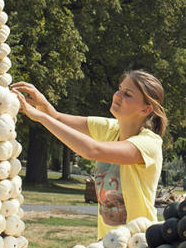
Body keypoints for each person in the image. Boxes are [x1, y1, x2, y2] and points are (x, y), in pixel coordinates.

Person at [12, 70, 166, 236]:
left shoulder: (149, 143)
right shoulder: (110, 128)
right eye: (119, 89)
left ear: (145, 109)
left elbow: (92, 150)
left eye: (127, 94)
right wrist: (43, 105)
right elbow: (57, 118)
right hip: (108, 245)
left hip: (140, 245)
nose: (117, 96)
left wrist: (41, 117)